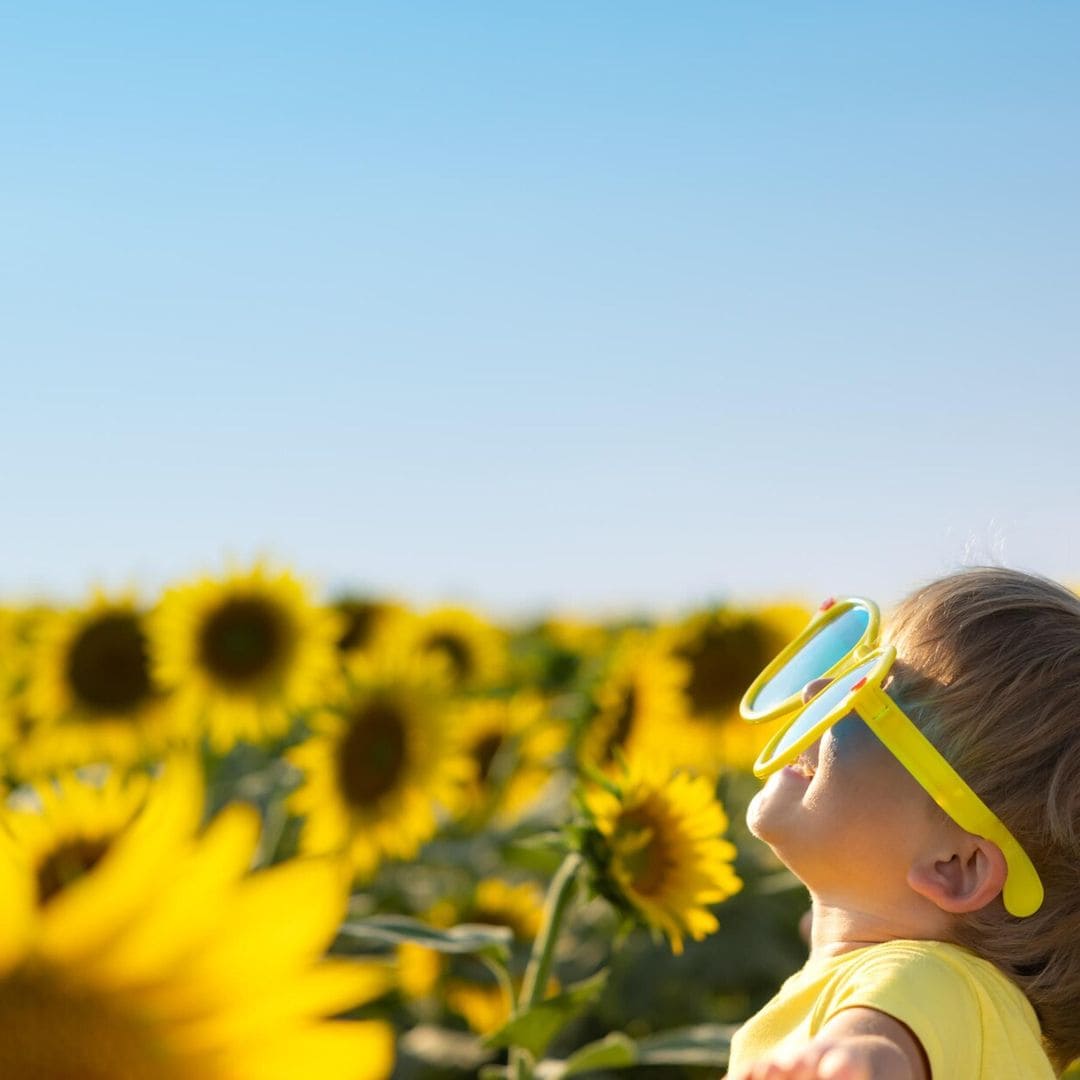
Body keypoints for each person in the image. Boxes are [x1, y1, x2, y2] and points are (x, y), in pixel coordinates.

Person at [725, 567, 1080, 1079]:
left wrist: (856, 1059)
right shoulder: (963, 996)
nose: (816, 690)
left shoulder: (920, 979)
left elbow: (882, 1035)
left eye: (868, 694)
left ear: (956, 866)